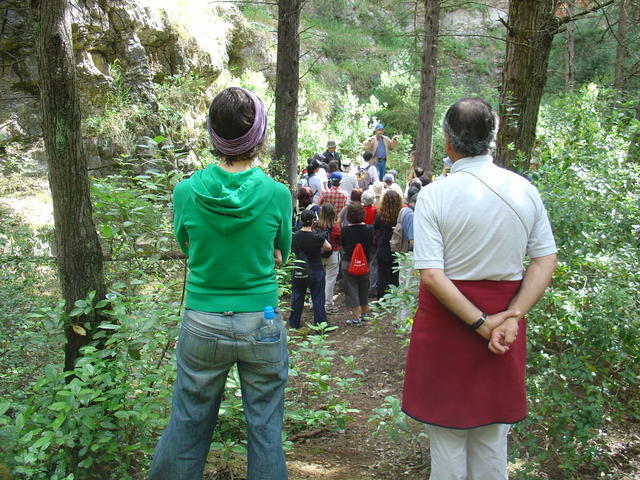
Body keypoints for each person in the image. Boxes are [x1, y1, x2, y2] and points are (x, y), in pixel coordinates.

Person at [402, 97, 558, 480]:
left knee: (448, 446)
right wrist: (510, 318)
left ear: (448, 141)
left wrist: (483, 323)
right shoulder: (524, 190)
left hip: (450, 325)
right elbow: (544, 260)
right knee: (492, 442)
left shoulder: (435, 195)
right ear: (494, 136)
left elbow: (433, 275)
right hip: (504, 324)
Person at [149, 87, 292, 480]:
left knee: (188, 425)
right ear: (259, 135)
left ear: (213, 134)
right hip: (260, 320)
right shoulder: (277, 194)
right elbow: (284, 252)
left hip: (202, 321)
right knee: (265, 430)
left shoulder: (185, 192)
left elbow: (187, 245)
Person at [288, 209, 332, 329]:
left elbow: (290, 249)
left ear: (301, 221)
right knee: (318, 298)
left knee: (297, 296)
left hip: (299, 268)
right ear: (313, 221)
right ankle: (320, 325)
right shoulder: (317, 236)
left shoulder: (295, 236)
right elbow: (328, 247)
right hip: (316, 269)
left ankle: (294, 322)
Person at [340, 202, 373, 325]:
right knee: (364, 287)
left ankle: (355, 318)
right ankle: (364, 313)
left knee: (351, 289)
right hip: (365, 263)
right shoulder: (370, 229)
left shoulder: (345, 230)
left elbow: (342, 244)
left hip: (348, 262)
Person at [314, 203, 341, 314]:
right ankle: (328, 305)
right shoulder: (336, 227)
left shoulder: (316, 225)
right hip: (333, 254)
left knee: (317, 280)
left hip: (318, 254)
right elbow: (339, 240)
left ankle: (314, 302)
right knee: (330, 281)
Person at [374, 189, 402, 298]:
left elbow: (375, 228)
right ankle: (394, 298)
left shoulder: (380, 216)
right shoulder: (400, 215)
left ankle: (381, 298)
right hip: (396, 247)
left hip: (383, 246)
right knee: (395, 274)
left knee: (382, 275)